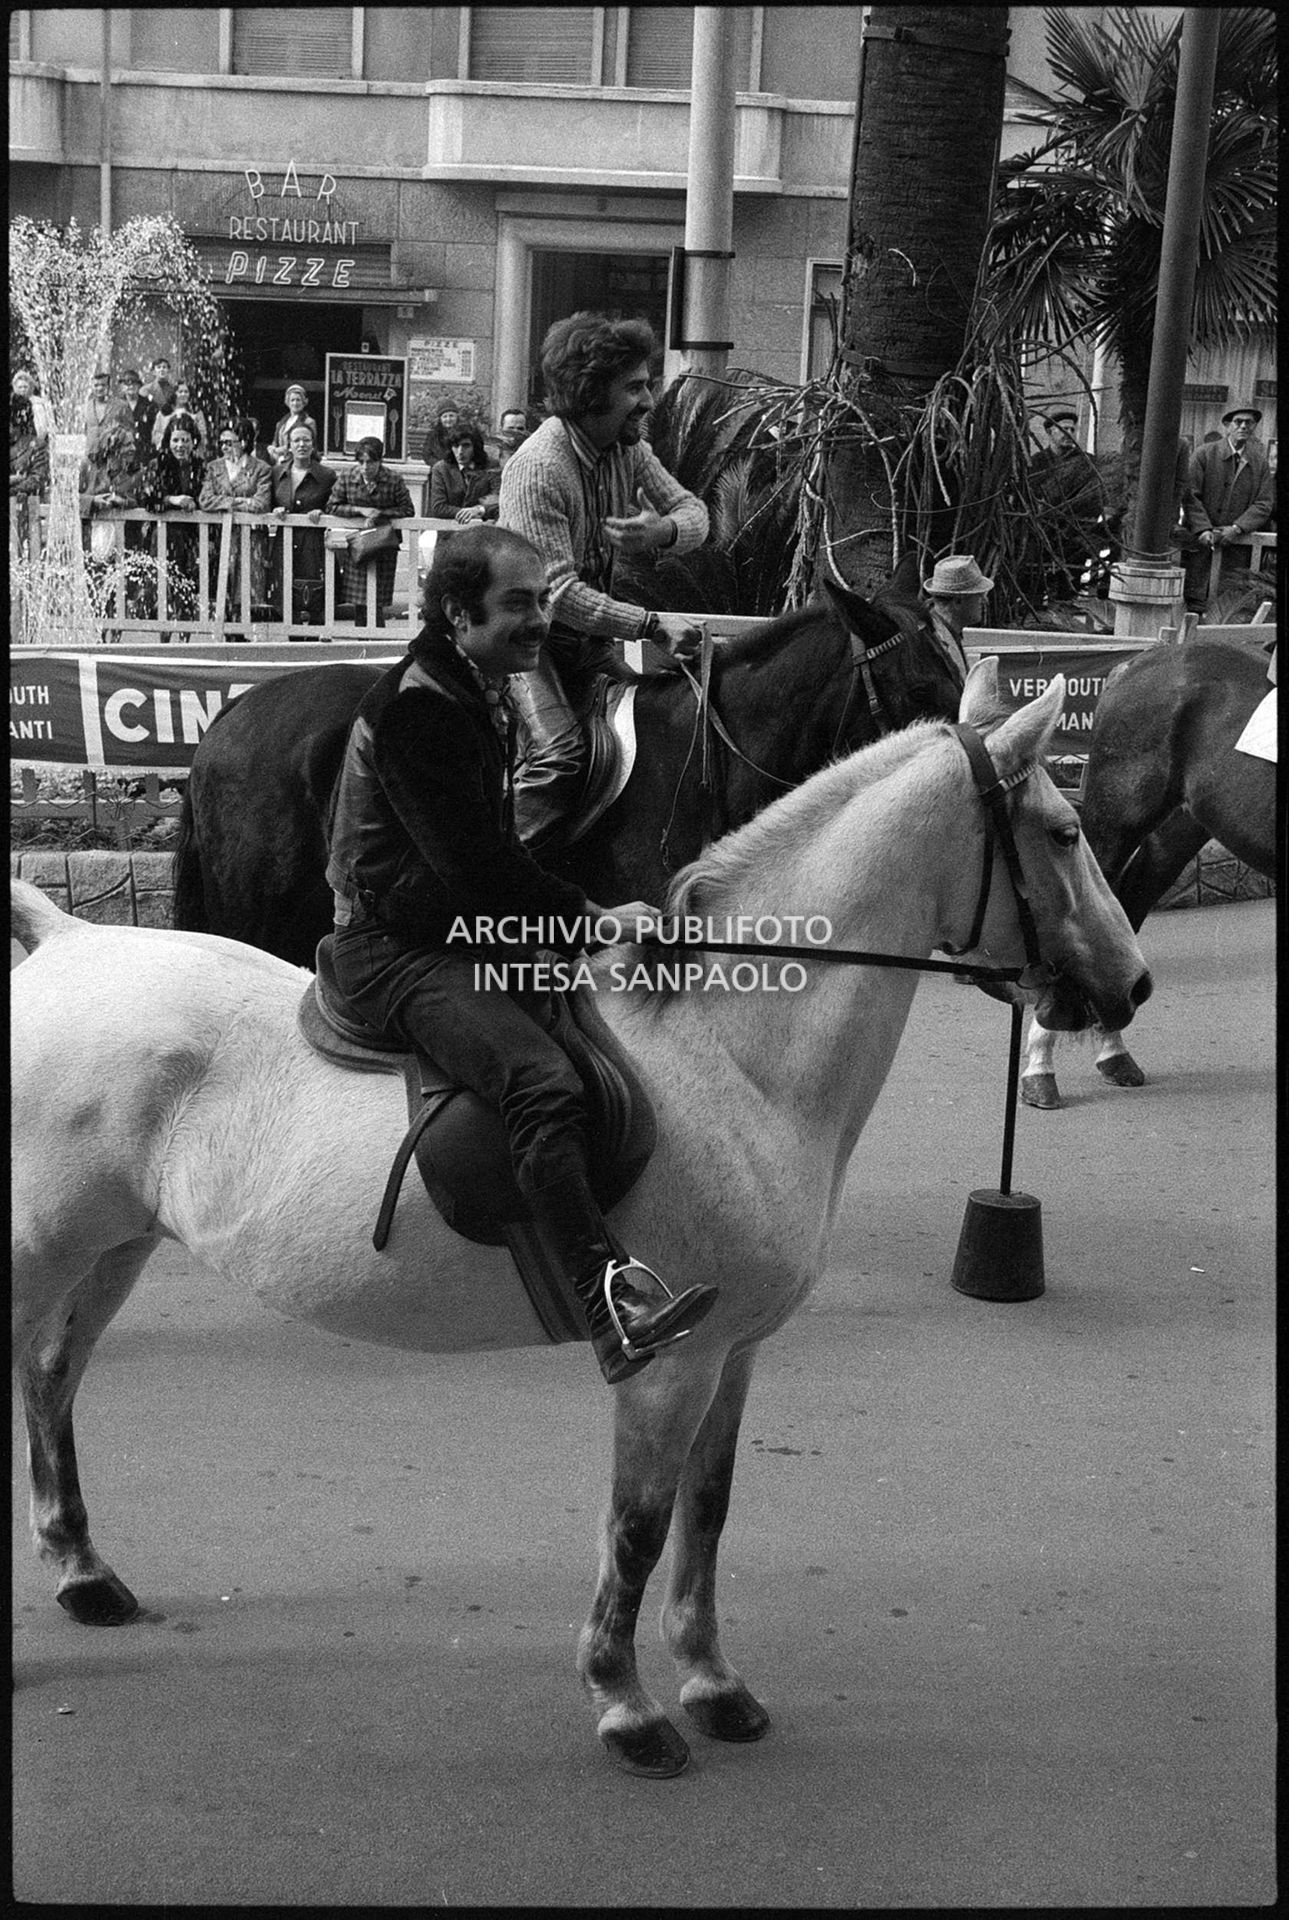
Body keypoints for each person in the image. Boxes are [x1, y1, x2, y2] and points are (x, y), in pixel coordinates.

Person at [324, 523, 718, 1383]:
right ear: (459, 612)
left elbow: (489, 863)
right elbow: (476, 870)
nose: (539, 620)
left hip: (442, 926)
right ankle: (606, 1301)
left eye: (543, 600)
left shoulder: (476, 685)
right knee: (543, 1082)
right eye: (518, 604)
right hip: (394, 949)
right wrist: (593, 918)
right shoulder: (422, 708)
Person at [497, 311, 709, 848]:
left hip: (585, 647)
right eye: (635, 387)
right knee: (560, 758)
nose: (649, 400)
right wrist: (651, 623)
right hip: (518, 644)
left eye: (649, 384)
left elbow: (697, 514)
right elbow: (558, 595)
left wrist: (661, 530)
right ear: (590, 393)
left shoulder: (629, 450)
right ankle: (493, 887)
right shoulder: (538, 466)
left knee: (653, 730)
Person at [1181, 404, 1274, 610]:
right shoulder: (1204, 455)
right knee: (1195, 599)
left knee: (1229, 604)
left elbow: (1264, 503)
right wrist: (1203, 528)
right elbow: (1190, 495)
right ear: (1227, 426)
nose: (1243, 426)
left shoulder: (1259, 463)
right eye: (1237, 422)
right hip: (1201, 543)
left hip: (1237, 546)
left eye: (1248, 423)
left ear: (1254, 427)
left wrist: (1237, 528)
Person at [326, 435, 416, 627]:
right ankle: (362, 640)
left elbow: (408, 509)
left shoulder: (393, 479)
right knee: (360, 601)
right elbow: (332, 506)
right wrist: (359, 510)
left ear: (380, 461)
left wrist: (381, 514)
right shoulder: (348, 477)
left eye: (371, 462)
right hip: (359, 543)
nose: (366, 467)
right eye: (362, 462)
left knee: (378, 602)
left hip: (384, 543)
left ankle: (377, 639)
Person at [199, 417, 274, 635]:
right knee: (223, 584)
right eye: (221, 442)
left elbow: (261, 504)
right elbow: (205, 500)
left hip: (250, 537)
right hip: (221, 536)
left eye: (229, 442)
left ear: (243, 441)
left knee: (247, 586)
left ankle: (241, 632)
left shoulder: (261, 468)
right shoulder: (213, 468)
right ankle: (224, 630)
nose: (224, 447)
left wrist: (224, 503)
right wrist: (239, 502)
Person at [1029, 408, 1105, 603]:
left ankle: (1066, 599)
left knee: (1074, 561)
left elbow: (1094, 496)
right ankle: (1034, 599)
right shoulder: (1037, 463)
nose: (1069, 434)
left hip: (1075, 527)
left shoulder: (1086, 462)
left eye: (1072, 430)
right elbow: (1031, 493)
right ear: (1050, 432)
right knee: (1035, 562)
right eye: (1063, 429)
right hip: (1043, 526)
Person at [269, 421, 336, 628]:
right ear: (288, 445)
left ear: (313, 445)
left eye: (306, 440)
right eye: (296, 440)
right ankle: (293, 642)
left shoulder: (326, 475)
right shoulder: (276, 473)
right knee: (288, 595)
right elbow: (267, 502)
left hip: (313, 544)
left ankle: (315, 643)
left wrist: (323, 511)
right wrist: (275, 510)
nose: (301, 444)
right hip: (285, 543)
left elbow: (336, 504)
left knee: (314, 595)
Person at [146, 418, 207, 637]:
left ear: (194, 442)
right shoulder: (159, 463)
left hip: (191, 535)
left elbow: (205, 497)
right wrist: (173, 500)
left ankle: (185, 634)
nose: (180, 445)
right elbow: (148, 498)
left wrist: (194, 503)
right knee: (164, 583)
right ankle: (164, 634)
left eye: (185, 440)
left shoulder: (200, 466)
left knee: (188, 584)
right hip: (164, 534)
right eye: (175, 440)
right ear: (168, 441)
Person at [920, 554, 992, 679]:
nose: (983, 600)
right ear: (958, 602)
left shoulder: (945, 632)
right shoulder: (933, 645)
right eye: (978, 595)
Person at [426, 424, 499, 523]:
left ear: (475, 446)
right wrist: (469, 513)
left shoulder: (490, 466)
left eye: (466, 446)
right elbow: (438, 507)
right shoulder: (441, 469)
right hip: (449, 529)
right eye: (456, 446)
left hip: (482, 530)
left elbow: (498, 500)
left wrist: (479, 510)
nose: (460, 452)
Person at [84, 368, 129, 460]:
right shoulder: (87, 406)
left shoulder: (121, 405)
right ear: (92, 386)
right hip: (91, 457)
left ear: (108, 386)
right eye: (96, 385)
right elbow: (86, 430)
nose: (99, 388)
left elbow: (130, 430)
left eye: (103, 385)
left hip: (113, 458)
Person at [270, 383, 321, 462]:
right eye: (292, 400)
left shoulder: (309, 422)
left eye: (298, 400)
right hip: (280, 461)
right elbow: (275, 442)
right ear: (288, 402)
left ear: (304, 402)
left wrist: (280, 450)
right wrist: (272, 449)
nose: (295, 403)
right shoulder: (281, 423)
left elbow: (309, 444)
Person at [116, 369, 157, 463]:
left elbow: (155, 431)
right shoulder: (116, 406)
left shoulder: (149, 405)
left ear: (139, 386)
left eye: (134, 383)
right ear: (122, 386)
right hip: (123, 454)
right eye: (127, 383)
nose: (130, 386)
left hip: (145, 453)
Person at [11, 368, 50, 446]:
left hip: (36, 441)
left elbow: (43, 427)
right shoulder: (13, 403)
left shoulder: (38, 403)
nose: (23, 390)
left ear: (30, 387)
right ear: (15, 388)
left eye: (25, 387)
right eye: (20, 387)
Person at [486, 406, 531, 470]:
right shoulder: (490, 449)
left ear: (526, 430)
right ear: (501, 428)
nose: (515, 431)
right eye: (510, 428)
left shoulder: (531, 447)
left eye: (520, 428)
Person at [421, 403, 463, 469]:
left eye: (451, 416)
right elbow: (427, 455)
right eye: (445, 416)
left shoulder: (464, 433)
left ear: (457, 417)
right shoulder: (433, 435)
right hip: (439, 472)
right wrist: (441, 466)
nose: (448, 419)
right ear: (440, 419)